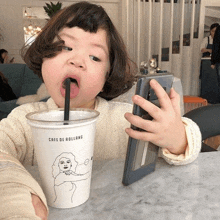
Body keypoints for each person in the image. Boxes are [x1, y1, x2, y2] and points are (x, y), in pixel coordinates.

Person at [0, 2, 201, 219]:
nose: (77, 61)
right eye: (66, 47)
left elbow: (186, 149)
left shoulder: (125, 120)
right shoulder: (24, 120)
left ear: (107, 76)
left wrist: (177, 137)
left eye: (95, 57)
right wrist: (17, 195)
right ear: (43, 57)